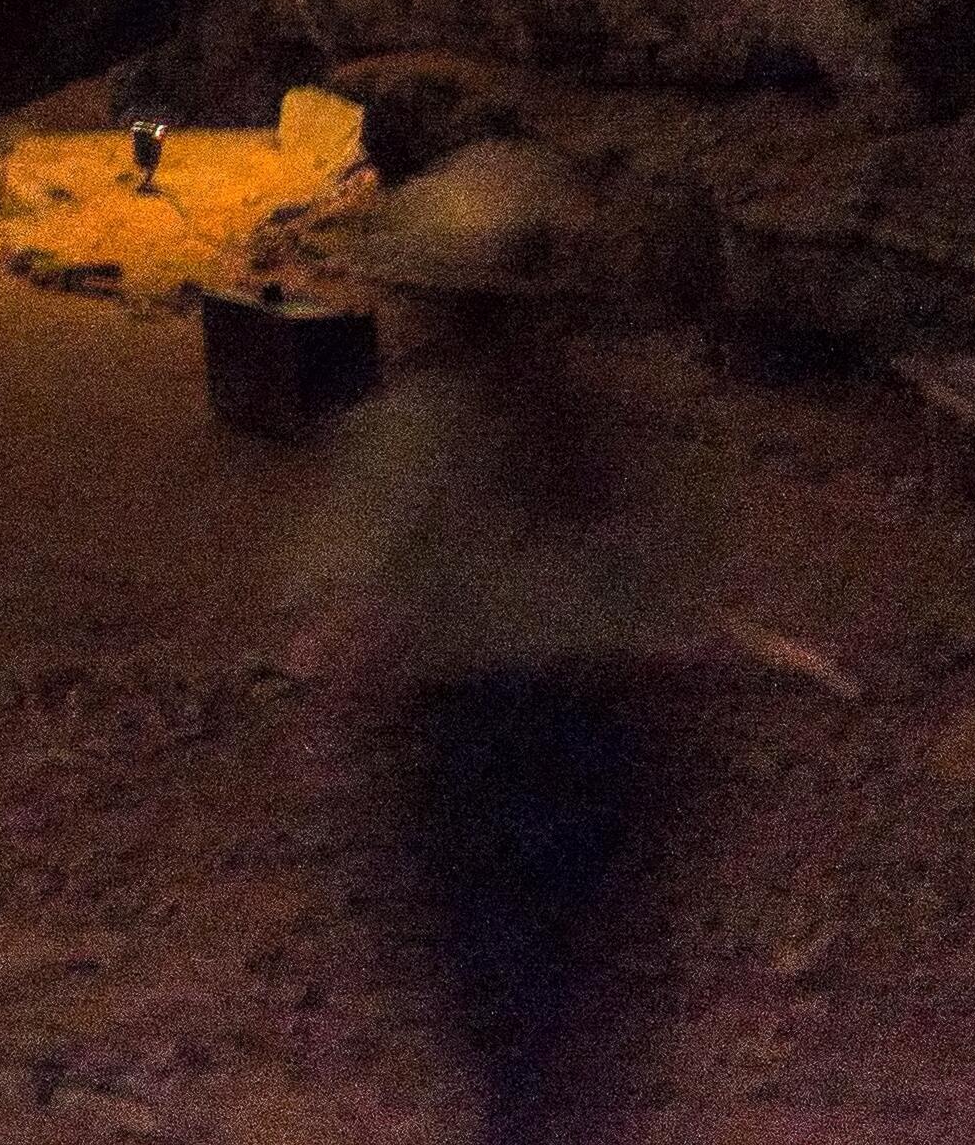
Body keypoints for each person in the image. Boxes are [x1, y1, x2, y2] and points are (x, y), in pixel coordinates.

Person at [283, 142, 691, 1141]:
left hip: (477, 752)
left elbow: (355, 617)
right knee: (574, 1027)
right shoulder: (610, 433)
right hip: (603, 745)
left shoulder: (412, 432)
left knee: (502, 1027)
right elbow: (669, 608)